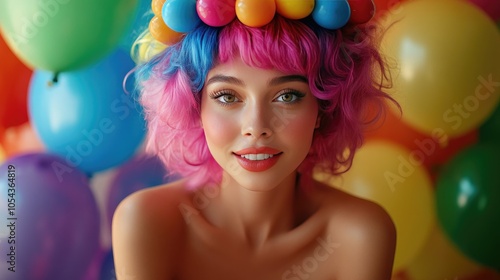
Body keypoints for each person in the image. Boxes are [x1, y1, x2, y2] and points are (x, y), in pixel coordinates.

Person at [112, 2, 397, 279]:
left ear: (324, 108)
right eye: (227, 96)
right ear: (194, 107)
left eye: (287, 96)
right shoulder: (147, 223)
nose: (257, 127)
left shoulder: (361, 234)